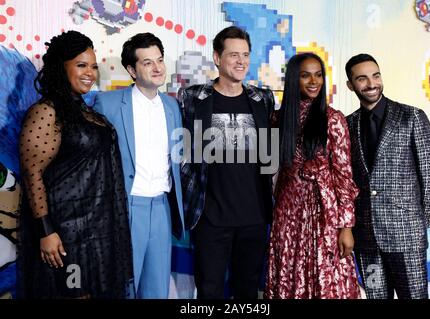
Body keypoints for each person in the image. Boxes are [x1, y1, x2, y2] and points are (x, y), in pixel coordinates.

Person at [18, 30, 133, 299]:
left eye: (93, 66)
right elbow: (32, 174)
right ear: (61, 67)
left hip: (99, 230)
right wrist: (47, 232)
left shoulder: (86, 111)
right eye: (81, 65)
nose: (90, 73)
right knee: (75, 294)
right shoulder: (46, 111)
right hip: (67, 235)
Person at [178, 26, 275, 299]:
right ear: (217, 58)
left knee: (247, 290)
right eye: (234, 55)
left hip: (254, 217)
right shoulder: (193, 98)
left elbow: (271, 156)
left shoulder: (263, 99)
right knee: (209, 290)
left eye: (245, 55)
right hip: (210, 218)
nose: (241, 61)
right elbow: (185, 153)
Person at [94, 33, 184, 299]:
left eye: (160, 60)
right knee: (124, 287)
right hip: (126, 206)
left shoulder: (172, 105)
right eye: (147, 63)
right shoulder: (108, 104)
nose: (157, 68)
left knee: (156, 289)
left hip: (162, 208)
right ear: (132, 70)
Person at [345, 53, 430, 299]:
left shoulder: (411, 117)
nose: (371, 84)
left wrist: (419, 221)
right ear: (351, 85)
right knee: (376, 296)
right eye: (362, 79)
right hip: (366, 238)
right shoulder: (347, 124)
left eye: (376, 76)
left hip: (406, 236)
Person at [265, 53, 361, 299]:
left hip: (324, 215)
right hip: (288, 214)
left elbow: (344, 177)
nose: (313, 81)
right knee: (290, 273)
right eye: (305, 75)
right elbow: (269, 170)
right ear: (293, 79)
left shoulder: (333, 119)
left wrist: (346, 226)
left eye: (318, 75)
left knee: (327, 278)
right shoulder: (277, 119)